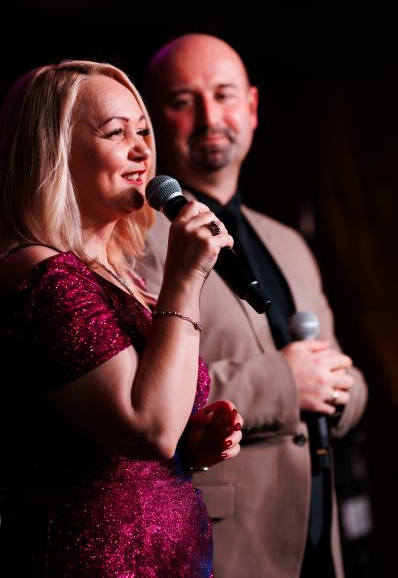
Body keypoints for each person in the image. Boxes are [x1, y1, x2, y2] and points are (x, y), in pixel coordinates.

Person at [0, 60, 244, 577]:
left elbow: (133, 441)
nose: (142, 151)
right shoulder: (40, 274)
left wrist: (188, 447)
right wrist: (184, 277)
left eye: (143, 131)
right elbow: (147, 427)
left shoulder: (120, 278)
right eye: (116, 133)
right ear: (55, 151)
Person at [140, 34, 368, 578]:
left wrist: (341, 389)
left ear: (252, 107)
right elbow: (137, 397)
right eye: (184, 101)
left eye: (223, 95)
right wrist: (284, 384)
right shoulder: (134, 240)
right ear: (153, 119)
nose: (209, 116)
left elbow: (346, 379)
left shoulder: (289, 242)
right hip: (224, 548)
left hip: (319, 543)